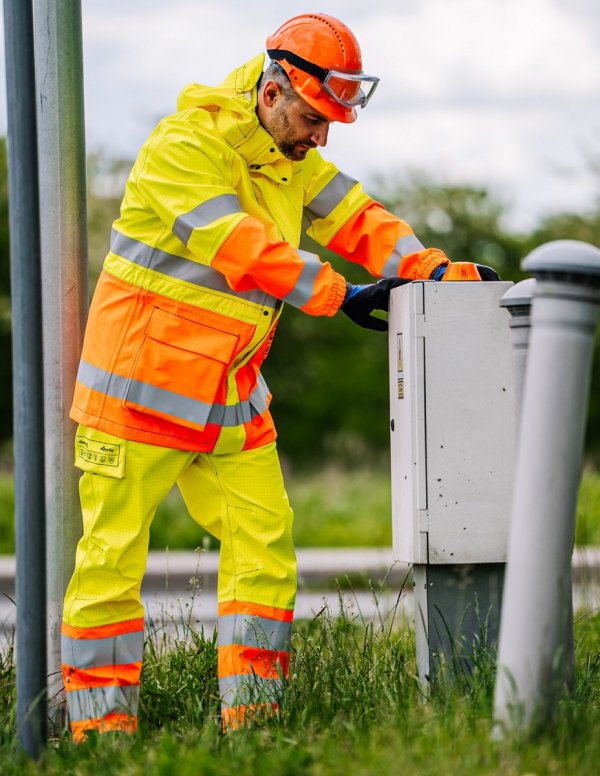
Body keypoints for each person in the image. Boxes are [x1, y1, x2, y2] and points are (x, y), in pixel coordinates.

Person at [61, 12, 498, 741]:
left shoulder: (287, 155)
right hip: (136, 391)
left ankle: (253, 725)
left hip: (228, 396)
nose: (321, 137)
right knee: (110, 564)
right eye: (311, 118)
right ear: (271, 94)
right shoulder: (184, 148)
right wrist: (340, 296)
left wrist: (434, 270)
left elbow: (358, 216)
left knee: (265, 553)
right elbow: (241, 244)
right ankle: (100, 736)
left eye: (330, 124)